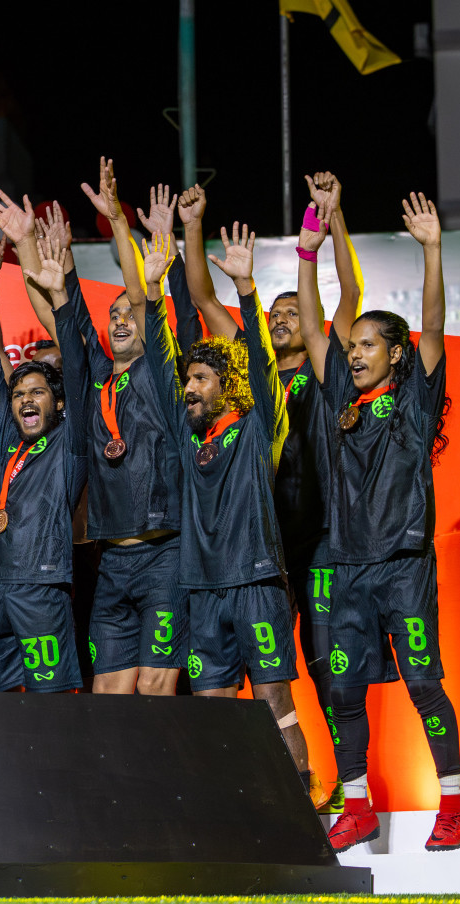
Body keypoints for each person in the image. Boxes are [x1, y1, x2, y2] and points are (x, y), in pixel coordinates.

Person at [298, 193, 460, 852]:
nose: (358, 352)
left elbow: (430, 323)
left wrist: (431, 249)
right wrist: (310, 243)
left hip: (403, 568)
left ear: (395, 355)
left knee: (425, 683)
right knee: (342, 691)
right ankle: (358, 805)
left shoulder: (415, 403)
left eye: (370, 343)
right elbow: (313, 327)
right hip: (344, 569)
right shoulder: (341, 399)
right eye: (356, 344)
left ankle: (451, 804)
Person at [21, 161, 202, 698]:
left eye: (129, 313)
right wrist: (25, 244)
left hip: (165, 554)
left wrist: (121, 224)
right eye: (113, 314)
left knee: (154, 690)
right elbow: (56, 311)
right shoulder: (97, 378)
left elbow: (146, 300)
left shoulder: (160, 375)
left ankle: (166, 784)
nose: (121, 319)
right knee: (110, 696)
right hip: (112, 558)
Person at [143, 224, 313, 788]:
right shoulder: (189, 437)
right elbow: (160, 365)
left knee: (272, 703)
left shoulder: (257, 427)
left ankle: (298, 817)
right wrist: (151, 296)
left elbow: (264, 368)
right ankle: (229, 816)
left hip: (255, 582)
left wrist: (245, 290)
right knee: (213, 707)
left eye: (200, 379)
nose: (189, 388)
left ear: (227, 385)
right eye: (188, 379)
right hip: (200, 587)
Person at [0, 213, 88, 693]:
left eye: (37, 393)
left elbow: (77, 365)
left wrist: (60, 298)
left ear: (58, 403)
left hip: (41, 583)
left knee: (50, 699)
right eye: (19, 396)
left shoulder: (71, 442)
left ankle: (60, 770)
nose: (25, 400)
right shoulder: (11, 439)